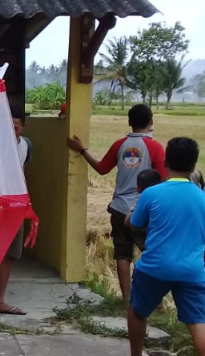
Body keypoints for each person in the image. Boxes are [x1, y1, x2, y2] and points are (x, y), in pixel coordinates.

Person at [115, 137, 205, 356]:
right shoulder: (202, 198)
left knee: (137, 311)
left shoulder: (153, 193)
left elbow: (134, 225)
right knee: (197, 322)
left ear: (165, 162)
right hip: (193, 270)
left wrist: (128, 216)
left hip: (155, 267)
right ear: (193, 164)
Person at [67, 103, 165, 301]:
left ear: (129, 122)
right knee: (151, 253)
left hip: (119, 208)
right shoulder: (155, 147)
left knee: (122, 254)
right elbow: (163, 181)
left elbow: (102, 168)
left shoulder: (119, 145)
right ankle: (149, 297)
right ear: (151, 122)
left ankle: (126, 298)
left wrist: (83, 150)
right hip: (142, 209)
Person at [0, 105, 32, 315]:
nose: (12, 131)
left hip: (16, 208)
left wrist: (25, 201)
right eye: (8, 127)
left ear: (23, 127)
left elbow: (22, 172)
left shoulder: (26, 146)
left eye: (16, 127)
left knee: (9, 255)